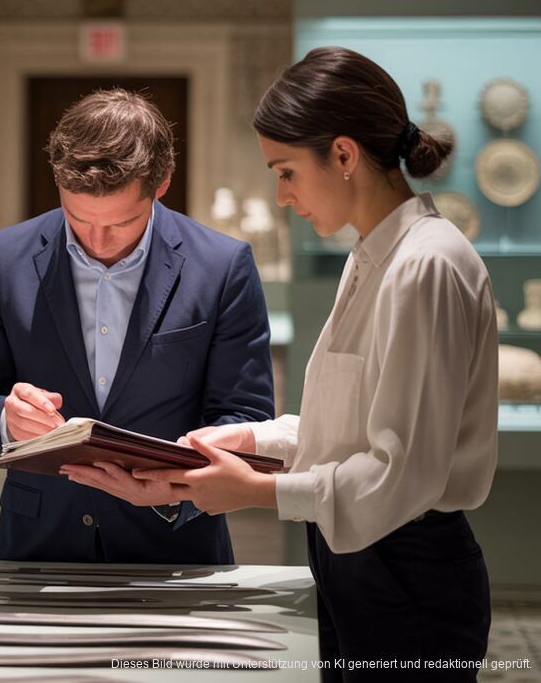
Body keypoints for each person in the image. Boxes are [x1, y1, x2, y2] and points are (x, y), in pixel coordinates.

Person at [123, 47, 496, 681]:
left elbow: (400, 474)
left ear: (345, 155)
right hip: (359, 558)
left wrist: (255, 491)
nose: (281, 196)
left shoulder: (425, 264)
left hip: (409, 571)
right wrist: (250, 438)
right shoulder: (374, 255)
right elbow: (350, 428)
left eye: (287, 171)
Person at [0, 89, 275, 564]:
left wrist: (172, 488)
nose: (96, 242)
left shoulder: (223, 266)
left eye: (121, 223)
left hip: (175, 548)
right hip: (39, 547)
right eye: (77, 219)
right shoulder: (4, 258)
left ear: (161, 185)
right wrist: (6, 419)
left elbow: (246, 420)